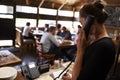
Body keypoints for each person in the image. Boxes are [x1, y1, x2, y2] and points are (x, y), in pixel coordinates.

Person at [62, 1, 116, 80]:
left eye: (81, 23)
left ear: (90, 21)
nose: (82, 27)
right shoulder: (100, 42)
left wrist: (80, 50)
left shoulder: (102, 46)